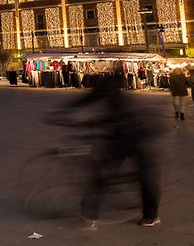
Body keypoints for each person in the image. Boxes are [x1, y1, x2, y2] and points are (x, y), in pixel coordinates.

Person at [66, 69, 164, 228]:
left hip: (128, 137)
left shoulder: (107, 93)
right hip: (138, 134)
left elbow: (89, 104)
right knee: (145, 176)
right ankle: (152, 215)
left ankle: (89, 215)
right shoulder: (115, 92)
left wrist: (73, 119)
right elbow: (87, 102)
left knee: (102, 174)